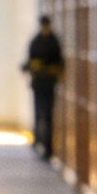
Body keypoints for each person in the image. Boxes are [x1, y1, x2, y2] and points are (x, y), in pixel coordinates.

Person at [26, 14, 65, 159]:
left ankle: (48, 148)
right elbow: (30, 60)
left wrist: (49, 69)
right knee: (38, 113)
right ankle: (37, 141)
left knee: (47, 115)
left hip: (49, 82)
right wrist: (32, 66)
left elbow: (60, 63)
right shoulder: (36, 41)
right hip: (38, 82)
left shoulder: (53, 41)